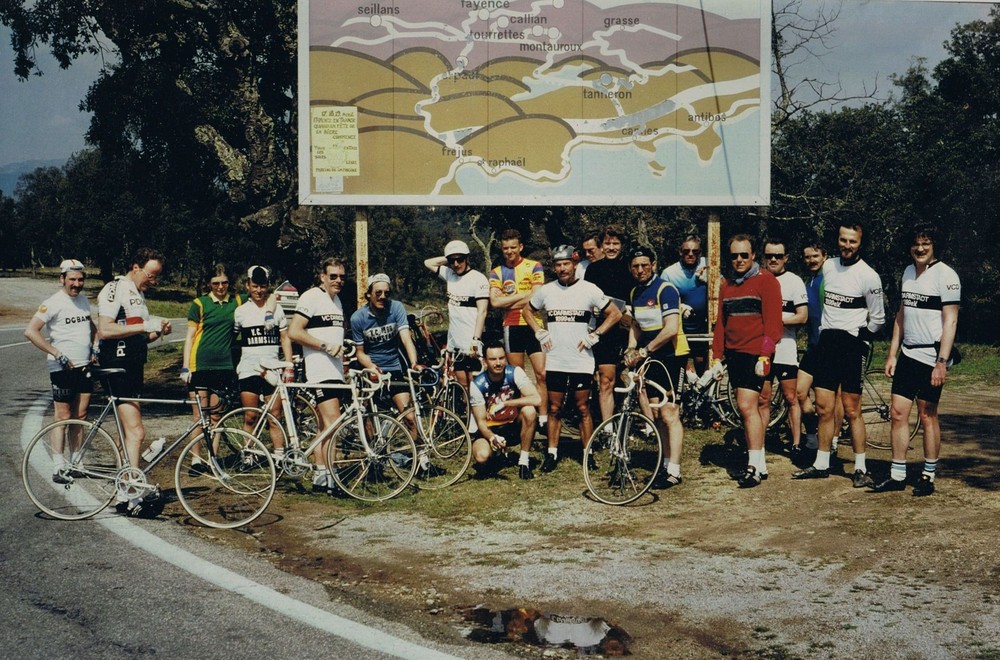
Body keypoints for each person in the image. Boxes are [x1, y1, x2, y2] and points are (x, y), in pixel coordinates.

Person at [793, 222, 886, 486]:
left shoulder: (869, 276)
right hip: (827, 343)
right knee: (824, 407)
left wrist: (859, 335)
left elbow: (878, 318)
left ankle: (859, 468)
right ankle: (821, 463)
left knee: (852, 409)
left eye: (852, 241)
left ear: (860, 243)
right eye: (843, 240)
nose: (847, 245)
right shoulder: (829, 266)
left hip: (851, 345)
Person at [871, 224, 959, 496]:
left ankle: (927, 476)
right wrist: (892, 353)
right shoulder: (908, 273)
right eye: (915, 243)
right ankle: (897, 474)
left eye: (926, 243)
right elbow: (901, 315)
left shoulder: (947, 275)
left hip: (931, 356)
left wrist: (941, 361)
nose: (920, 248)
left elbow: (951, 320)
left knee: (927, 415)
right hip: (908, 354)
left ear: (935, 245)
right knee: (898, 413)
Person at [523, 245, 622, 473]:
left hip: (581, 360)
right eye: (558, 265)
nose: (562, 268)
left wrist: (596, 335)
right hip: (556, 359)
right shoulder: (547, 291)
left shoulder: (589, 289)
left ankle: (587, 455)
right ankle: (552, 453)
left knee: (583, 408)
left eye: (566, 263)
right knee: (555, 408)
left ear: (575, 264)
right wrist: (539, 330)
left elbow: (615, 313)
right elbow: (527, 310)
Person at [96, 247, 172, 512]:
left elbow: (136, 338)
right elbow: (105, 330)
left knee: (126, 433)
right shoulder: (115, 288)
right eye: (151, 274)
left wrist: (156, 332)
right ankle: (133, 493)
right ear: (136, 267)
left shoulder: (138, 294)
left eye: (157, 276)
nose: (153, 280)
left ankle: (123, 493)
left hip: (132, 365)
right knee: (137, 431)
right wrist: (144, 327)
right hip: (117, 367)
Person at [351, 272, 444, 478]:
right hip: (370, 370)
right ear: (369, 295)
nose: (383, 296)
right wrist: (372, 368)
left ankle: (422, 461)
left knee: (409, 416)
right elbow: (360, 352)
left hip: (394, 369)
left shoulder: (397, 309)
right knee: (367, 416)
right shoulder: (358, 318)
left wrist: (413, 363)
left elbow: (406, 339)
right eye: (378, 293)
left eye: (386, 293)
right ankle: (374, 462)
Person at [711, 235, 782, 488]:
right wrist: (717, 357)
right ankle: (760, 462)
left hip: (756, 353)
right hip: (734, 354)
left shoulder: (767, 281)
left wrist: (765, 354)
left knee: (745, 406)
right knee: (759, 406)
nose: (739, 260)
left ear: (753, 255)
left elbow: (774, 323)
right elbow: (721, 323)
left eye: (744, 255)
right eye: (734, 256)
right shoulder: (727, 285)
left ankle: (751, 466)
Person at [24, 259, 97, 483]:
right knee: (63, 416)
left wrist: (95, 346)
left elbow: (91, 326)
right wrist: (56, 353)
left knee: (81, 415)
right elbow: (31, 331)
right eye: (72, 279)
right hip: (62, 367)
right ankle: (58, 465)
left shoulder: (84, 300)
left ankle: (76, 461)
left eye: (80, 279)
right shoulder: (53, 302)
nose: (77, 284)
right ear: (62, 279)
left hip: (85, 365)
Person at [624, 246, 688, 489]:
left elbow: (671, 328)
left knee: (670, 413)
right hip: (650, 357)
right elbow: (636, 325)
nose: (640, 270)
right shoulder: (634, 292)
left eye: (644, 265)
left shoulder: (665, 289)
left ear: (653, 264)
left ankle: (675, 470)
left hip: (671, 356)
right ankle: (664, 463)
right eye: (636, 266)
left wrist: (644, 350)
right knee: (658, 414)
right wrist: (631, 348)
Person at [287, 257, 349, 494]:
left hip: (335, 371)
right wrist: (323, 345)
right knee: (334, 422)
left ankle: (321, 475)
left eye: (342, 276)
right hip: (318, 371)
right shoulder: (311, 296)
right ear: (322, 277)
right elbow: (294, 331)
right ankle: (332, 479)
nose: (338, 280)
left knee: (326, 425)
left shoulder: (337, 301)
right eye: (333, 276)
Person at [233, 265, 294, 460]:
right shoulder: (240, 311)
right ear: (247, 285)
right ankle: (248, 454)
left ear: (268, 286)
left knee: (275, 416)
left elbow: (285, 338)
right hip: (249, 369)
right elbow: (234, 339)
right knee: (250, 416)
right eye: (254, 286)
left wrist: (289, 365)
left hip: (272, 370)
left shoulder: (277, 310)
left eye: (262, 286)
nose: (258, 290)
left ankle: (279, 456)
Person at [488, 228, 547, 425]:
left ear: (520, 247)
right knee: (517, 375)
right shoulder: (496, 272)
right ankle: (522, 416)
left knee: (542, 373)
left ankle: (544, 418)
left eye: (513, 247)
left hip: (533, 323)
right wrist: (527, 296)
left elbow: (539, 295)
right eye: (505, 248)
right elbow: (495, 303)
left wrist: (508, 301)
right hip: (511, 325)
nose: (509, 251)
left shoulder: (534, 266)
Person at [795, 242, 844, 453]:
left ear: (825, 256)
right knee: (800, 393)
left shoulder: (830, 280)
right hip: (814, 346)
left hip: (832, 347)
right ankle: (813, 435)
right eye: (807, 257)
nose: (811, 260)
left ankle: (834, 438)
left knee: (836, 397)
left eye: (815, 256)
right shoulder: (810, 281)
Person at [761, 238, 808, 453]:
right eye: (769, 255)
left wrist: (775, 321)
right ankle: (757, 444)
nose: (773, 260)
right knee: (763, 399)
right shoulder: (757, 278)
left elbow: (802, 317)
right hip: (761, 349)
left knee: (791, 398)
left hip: (786, 347)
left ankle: (796, 443)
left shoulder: (794, 281)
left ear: (785, 258)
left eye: (778, 256)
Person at [469, 341, 541, 480]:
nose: (498, 363)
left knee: (529, 411)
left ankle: (523, 462)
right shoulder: (477, 385)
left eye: (501, 358)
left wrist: (507, 403)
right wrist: (492, 437)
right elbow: (481, 422)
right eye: (493, 359)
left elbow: (537, 399)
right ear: (484, 362)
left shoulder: (514, 372)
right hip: (490, 430)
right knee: (481, 457)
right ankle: (495, 454)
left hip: (513, 426)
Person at [423, 240, 489, 389]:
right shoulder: (450, 274)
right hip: (456, 341)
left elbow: (482, 311)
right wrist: (450, 257)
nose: (456, 264)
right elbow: (428, 262)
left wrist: (476, 340)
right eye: (453, 261)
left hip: (472, 339)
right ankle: (465, 413)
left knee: (476, 384)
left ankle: (476, 413)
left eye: (460, 259)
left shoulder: (478, 279)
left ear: (467, 258)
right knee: (462, 384)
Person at [583, 225, 632, 425]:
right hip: (602, 330)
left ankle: (646, 424)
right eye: (607, 243)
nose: (611, 247)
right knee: (605, 380)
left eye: (616, 243)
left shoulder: (630, 267)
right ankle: (607, 426)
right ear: (601, 246)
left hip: (628, 330)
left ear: (622, 245)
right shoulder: (593, 269)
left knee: (634, 380)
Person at [181, 263, 242, 423]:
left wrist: (270, 313)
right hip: (200, 365)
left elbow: (267, 295)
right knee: (199, 418)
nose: (220, 287)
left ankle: (212, 450)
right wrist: (185, 366)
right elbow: (190, 337)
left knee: (217, 417)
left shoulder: (237, 301)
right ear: (209, 283)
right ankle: (194, 450)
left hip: (224, 366)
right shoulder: (200, 303)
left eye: (224, 282)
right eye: (216, 283)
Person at [661, 235, 710, 375]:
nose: (690, 254)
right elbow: (662, 297)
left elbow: (724, 288)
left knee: (701, 361)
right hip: (680, 325)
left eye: (695, 251)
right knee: (680, 362)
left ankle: (701, 392)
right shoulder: (669, 273)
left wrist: (713, 279)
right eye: (686, 251)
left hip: (702, 324)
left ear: (700, 252)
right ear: (680, 251)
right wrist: (680, 306)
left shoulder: (708, 264)